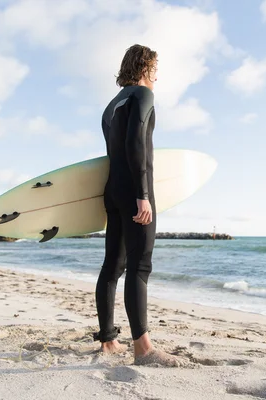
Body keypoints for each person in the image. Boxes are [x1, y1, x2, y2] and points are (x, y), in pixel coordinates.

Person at [94, 44, 181, 367]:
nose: (157, 75)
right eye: (155, 68)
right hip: (134, 189)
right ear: (145, 67)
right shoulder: (143, 96)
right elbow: (135, 145)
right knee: (140, 266)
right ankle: (143, 348)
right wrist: (143, 194)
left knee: (112, 266)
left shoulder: (111, 106)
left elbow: (113, 151)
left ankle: (108, 340)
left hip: (112, 190)